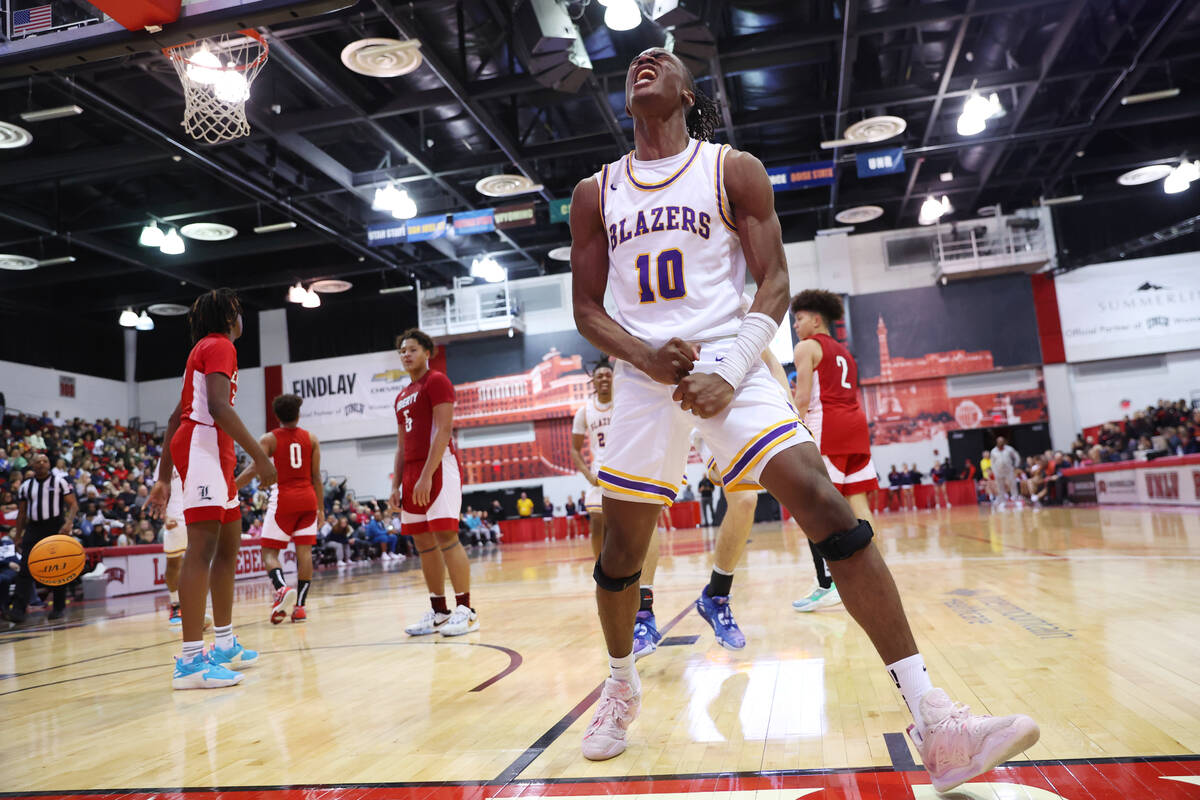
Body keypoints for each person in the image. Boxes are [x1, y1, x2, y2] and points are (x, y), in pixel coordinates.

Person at [567, 47, 1038, 789]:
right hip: (642, 372)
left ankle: (936, 720)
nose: (644, 63)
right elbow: (587, 310)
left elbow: (775, 281)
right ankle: (620, 685)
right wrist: (646, 355)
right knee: (621, 551)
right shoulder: (594, 194)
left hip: (733, 355)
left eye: (665, 60)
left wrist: (731, 367)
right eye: (634, 63)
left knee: (824, 503)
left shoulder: (732, 170)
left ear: (692, 93)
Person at [148, 288, 277, 690]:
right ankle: (189, 662)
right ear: (228, 317)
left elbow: (173, 417)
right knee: (201, 551)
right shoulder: (219, 345)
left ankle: (223, 644)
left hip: (212, 449)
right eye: (238, 311)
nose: (242, 319)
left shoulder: (205, 348)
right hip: (203, 444)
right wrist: (260, 457)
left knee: (227, 550)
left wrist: (163, 479)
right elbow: (219, 409)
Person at [693, 346, 791, 649]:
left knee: (753, 497)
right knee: (744, 498)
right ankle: (647, 610)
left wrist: (786, 404)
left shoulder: (744, 310)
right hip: (700, 410)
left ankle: (715, 596)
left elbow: (770, 360)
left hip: (750, 405)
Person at [789, 289, 879, 613]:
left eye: (799, 319)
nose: (795, 325)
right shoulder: (846, 353)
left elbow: (802, 399)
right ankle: (873, 574)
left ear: (816, 319)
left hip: (828, 428)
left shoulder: (806, 347)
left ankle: (828, 584)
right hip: (855, 427)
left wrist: (793, 431)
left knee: (816, 509)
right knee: (857, 502)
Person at [389, 329, 476, 637]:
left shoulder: (437, 381)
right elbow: (401, 445)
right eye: (402, 351)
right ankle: (439, 611)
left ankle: (466, 610)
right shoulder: (401, 396)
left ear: (428, 352)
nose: (406, 355)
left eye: (412, 349)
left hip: (438, 466)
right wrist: (395, 485)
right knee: (423, 545)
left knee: (446, 537)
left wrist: (427, 474)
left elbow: (442, 430)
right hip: (412, 471)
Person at [235, 393, 325, 625]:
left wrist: (232, 486)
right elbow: (317, 477)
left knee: (269, 552)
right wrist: (322, 510)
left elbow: (255, 468)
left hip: (284, 498)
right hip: (308, 498)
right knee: (304, 553)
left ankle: (282, 589)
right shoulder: (312, 438)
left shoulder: (270, 439)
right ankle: (301, 607)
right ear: (298, 413)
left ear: (276, 416)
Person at [3, 454, 77, 623]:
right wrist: (18, 535)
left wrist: (68, 523)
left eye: (45, 461)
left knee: (59, 568)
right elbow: (22, 513)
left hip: (55, 526)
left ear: (49, 464)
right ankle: (18, 611)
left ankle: (58, 608)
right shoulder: (26, 486)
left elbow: (73, 505)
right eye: (38, 462)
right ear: (32, 465)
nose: (42, 464)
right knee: (25, 569)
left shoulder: (60, 481)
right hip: (34, 527)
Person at [571, 360, 614, 559]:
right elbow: (574, 450)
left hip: (624, 471)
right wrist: (589, 476)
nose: (604, 379)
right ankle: (600, 568)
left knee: (625, 530)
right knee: (597, 523)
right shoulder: (584, 411)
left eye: (608, 375)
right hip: (599, 475)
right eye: (600, 376)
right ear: (593, 382)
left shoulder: (625, 405)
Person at [990, 436, 1021, 508]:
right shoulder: (993, 451)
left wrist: (1016, 465)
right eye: (999, 441)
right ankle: (1002, 500)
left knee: (1012, 484)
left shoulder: (1009, 449)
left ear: (1004, 441)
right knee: (1000, 486)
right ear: (997, 442)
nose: (1000, 442)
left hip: (1009, 469)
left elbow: (1016, 456)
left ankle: (1015, 498)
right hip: (998, 471)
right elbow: (992, 462)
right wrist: (994, 471)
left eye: (1002, 441)